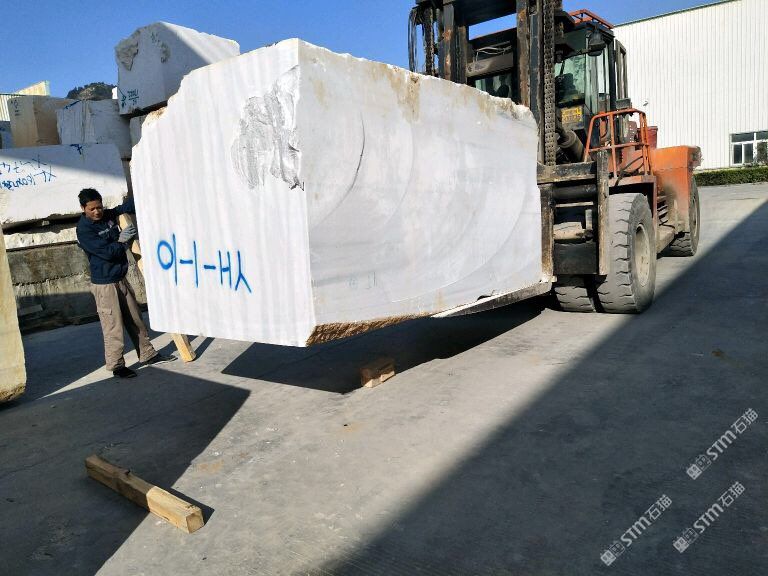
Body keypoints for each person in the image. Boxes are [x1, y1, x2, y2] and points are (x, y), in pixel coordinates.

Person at [76, 188, 175, 378]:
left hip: (121, 278)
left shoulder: (107, 215)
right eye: (92, 209)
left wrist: (142, 191)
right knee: (113, 326)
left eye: (99, 207)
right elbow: (107, 253)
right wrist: (121, 241)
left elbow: (124, 208)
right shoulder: (84, 230)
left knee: (135, 318)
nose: (97, 212)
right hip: (105, 285)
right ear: (83, 208)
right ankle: (117, 366)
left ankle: (147, 354)